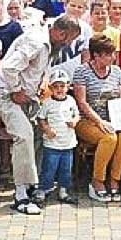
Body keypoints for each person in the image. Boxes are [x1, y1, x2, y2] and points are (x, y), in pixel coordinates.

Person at [0, 15, 81, 215]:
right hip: (7, 94)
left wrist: (39, 84)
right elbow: (9, 67)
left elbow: (37, 68)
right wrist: (15, 90)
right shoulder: (37, 42)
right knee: (24, 136)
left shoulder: (50, 43)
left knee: (37, 136)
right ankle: (21, 195)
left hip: (26, 96)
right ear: (60, 33)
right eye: (69, 39)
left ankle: (31, 184)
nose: (69, 44)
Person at [72, 36, 121, 203]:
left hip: (114, 118)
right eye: (107, 54)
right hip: (87, 120)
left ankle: (115, 180)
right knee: (109, 138)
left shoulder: (117, 71)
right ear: (96, 55)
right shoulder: (82, 71)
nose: (112, 57)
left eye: (112, 54)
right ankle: (97, 181)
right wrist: (100, 122)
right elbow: (82, 102)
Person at [33, 69, 79, 205]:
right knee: (49, 168)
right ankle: (42, 190)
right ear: (51, 88)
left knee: (66, 169)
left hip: (68, 143)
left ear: (68, 86)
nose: (59, 89)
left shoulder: (71, 100)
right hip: (52, 144)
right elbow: (41, 118)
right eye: (56, 86)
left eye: (62, 86)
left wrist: (75, 121)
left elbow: (76, 114)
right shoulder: (48, 103)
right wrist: (47, 129)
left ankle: (63, 191)